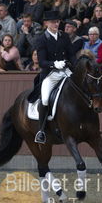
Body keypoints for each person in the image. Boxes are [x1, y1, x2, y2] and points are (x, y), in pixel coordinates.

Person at [34, 10, 76, 144]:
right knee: (45, 98)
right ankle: (41, 131)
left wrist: (74, 67)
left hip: (65, 71)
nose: (56, 24)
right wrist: (54, 64)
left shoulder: (64, 36)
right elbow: (41, 62)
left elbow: (71, 55)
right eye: (53, 22)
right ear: (47, 23)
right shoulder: (41, 39)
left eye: (57, 22)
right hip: (50, 74)